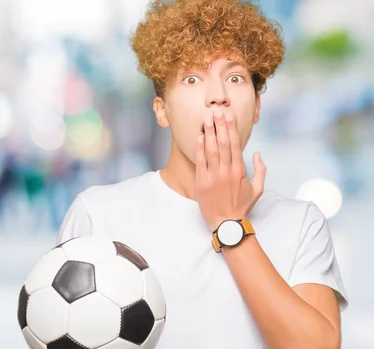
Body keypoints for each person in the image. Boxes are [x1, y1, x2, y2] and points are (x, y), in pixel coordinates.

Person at [58, 0, 348, 348]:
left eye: (235, 77)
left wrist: (230, 225)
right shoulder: (97, 215)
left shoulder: (301, 222)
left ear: (256, 107)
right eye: (192, 78)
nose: (217, 97)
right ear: (161, 110)